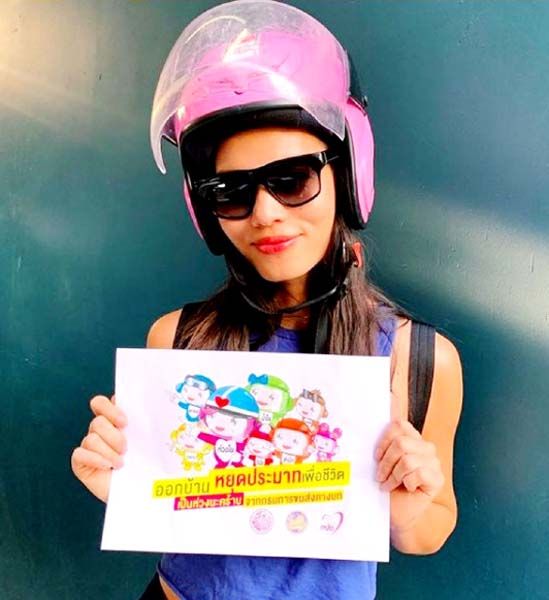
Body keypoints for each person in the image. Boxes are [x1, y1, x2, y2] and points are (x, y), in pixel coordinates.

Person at [70, 1, 463, 598]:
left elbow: (432, 528)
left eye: (292, 178)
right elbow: (177, 499)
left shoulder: (421, 358)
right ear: (206, 208)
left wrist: (406, 507)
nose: (265, 213)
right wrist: (123, 483)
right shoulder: (175, 338)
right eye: (231, 190)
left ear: (347, 176)